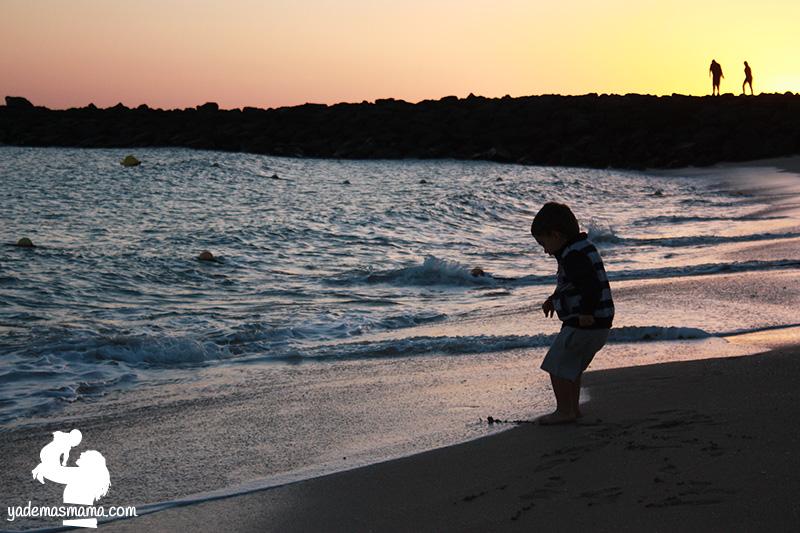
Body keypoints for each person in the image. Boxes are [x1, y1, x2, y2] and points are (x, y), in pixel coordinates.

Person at [530, 202, 614, 425]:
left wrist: (586, 312)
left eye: (543, 243)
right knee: (571, 367)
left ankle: (564, 411)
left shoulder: (573, 256)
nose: (545, 251)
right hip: (599, 325)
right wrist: (553, 300)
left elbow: (590, 285)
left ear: (556, 235)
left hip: (584, 324)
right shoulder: (580, 249)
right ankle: (572, 410)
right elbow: (574, 283)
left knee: (556, 366)